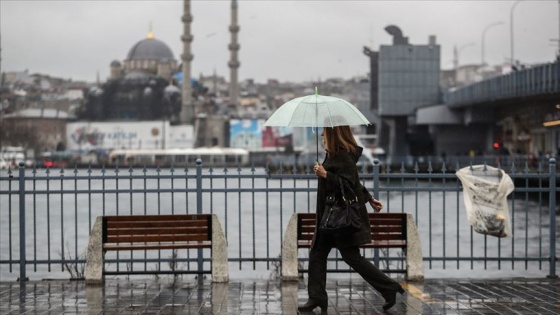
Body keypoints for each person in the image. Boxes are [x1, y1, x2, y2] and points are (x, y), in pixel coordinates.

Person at [298, 125, 404, 313]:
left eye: (324, 130)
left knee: (351, 257)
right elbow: (354, 182)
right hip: (329, 217)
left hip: (340, 218)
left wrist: (326, 175)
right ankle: (316, 298)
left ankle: (389, 288)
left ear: (333, 132)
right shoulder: (333, 155)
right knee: (317, 254)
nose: (322, 133)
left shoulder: (343, 156)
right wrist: (370, 198)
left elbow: (347, 184)